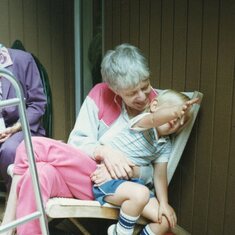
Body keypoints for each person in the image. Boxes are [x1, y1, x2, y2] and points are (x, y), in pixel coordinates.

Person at [2, 43, 179, 235]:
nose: (143, 96)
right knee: (37, 174)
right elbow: (77, 142)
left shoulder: (160, 107)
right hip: (84, 174)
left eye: (145, 87)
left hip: (116, 187)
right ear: (115, 90)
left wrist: (132, 170)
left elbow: (158, 162)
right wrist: (105, 152)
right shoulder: (100, 94)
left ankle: (7, 226)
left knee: (33, 147)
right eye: (131, 93)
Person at [91, 89, 199, 235]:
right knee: (141, 193)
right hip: (108, 180)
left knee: (164, 221)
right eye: (175, 117)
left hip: (135, 187)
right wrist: (175, 111)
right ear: (154, 106)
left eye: (181, 122)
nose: (177, 122)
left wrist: (164, 204)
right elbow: (155, 119)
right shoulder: (142, 123)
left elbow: (160, 176)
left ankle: (118, 231)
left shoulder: (165, 145)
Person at [0, 43, 46, 189]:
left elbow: (37, 104)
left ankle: (14, 201)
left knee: (10, 149)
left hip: (21, 127)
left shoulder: (23, 60)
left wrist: (15, 128)